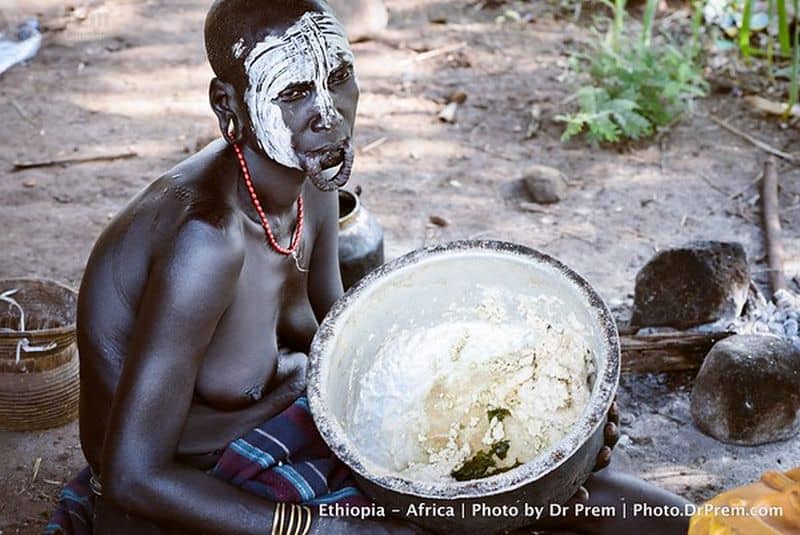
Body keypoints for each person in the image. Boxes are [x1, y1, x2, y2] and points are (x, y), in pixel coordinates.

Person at [47, 1, 690, 533]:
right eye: (295, 91)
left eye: (339, 77)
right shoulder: (205, 241)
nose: (328, 113)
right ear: (229, 107)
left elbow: (345, 343)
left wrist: (538, 427)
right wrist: (324, 529)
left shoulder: (313, 182)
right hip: (178, 496)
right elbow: (133, 476)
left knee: (564, 498)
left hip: (286, 425)